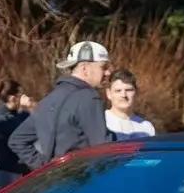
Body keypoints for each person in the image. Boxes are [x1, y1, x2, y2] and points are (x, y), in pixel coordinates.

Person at [7, 40, 112, 170]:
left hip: (57, 185)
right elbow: (104, 150)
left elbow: (17, 140)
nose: (108, 73)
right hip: (85, 181)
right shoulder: (89, 97)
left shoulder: (48, 99)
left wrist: (45, 167)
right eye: (104, 67)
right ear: (84, 68)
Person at [0, 79, 32, 191]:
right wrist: (26, 108)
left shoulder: (11, 114)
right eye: (20, 96)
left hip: (13, 168)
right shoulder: (0, 116)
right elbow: (21, 130)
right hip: (5, 170)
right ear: (13, 98)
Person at [104, 69, 156, 138]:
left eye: (128, 90)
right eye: (118, 91)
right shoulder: (101, 123)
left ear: (136, 92)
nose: (124, 95)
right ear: (109, 94)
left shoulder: (146, 127)